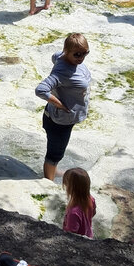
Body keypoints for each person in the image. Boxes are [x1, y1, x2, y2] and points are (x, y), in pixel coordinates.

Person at [35, 33, 91, 182]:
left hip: (64, 118)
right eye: (77, 54)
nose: (81, 58)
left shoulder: (62, 57)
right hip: (59, 121)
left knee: (57, 150)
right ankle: (48, 182)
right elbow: (40, 90)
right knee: (54, 154)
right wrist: (60, 105)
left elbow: (55, 56)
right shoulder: (62, 72)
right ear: (67, 52)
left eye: (85, 53)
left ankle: (53, 170)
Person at [62, 167, 96, 238]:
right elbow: (93, 213)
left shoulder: (73, 212)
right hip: (88, 234)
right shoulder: (91, 199)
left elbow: (71, 233)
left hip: (79, 242)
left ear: (72, 188)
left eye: (66, 185)